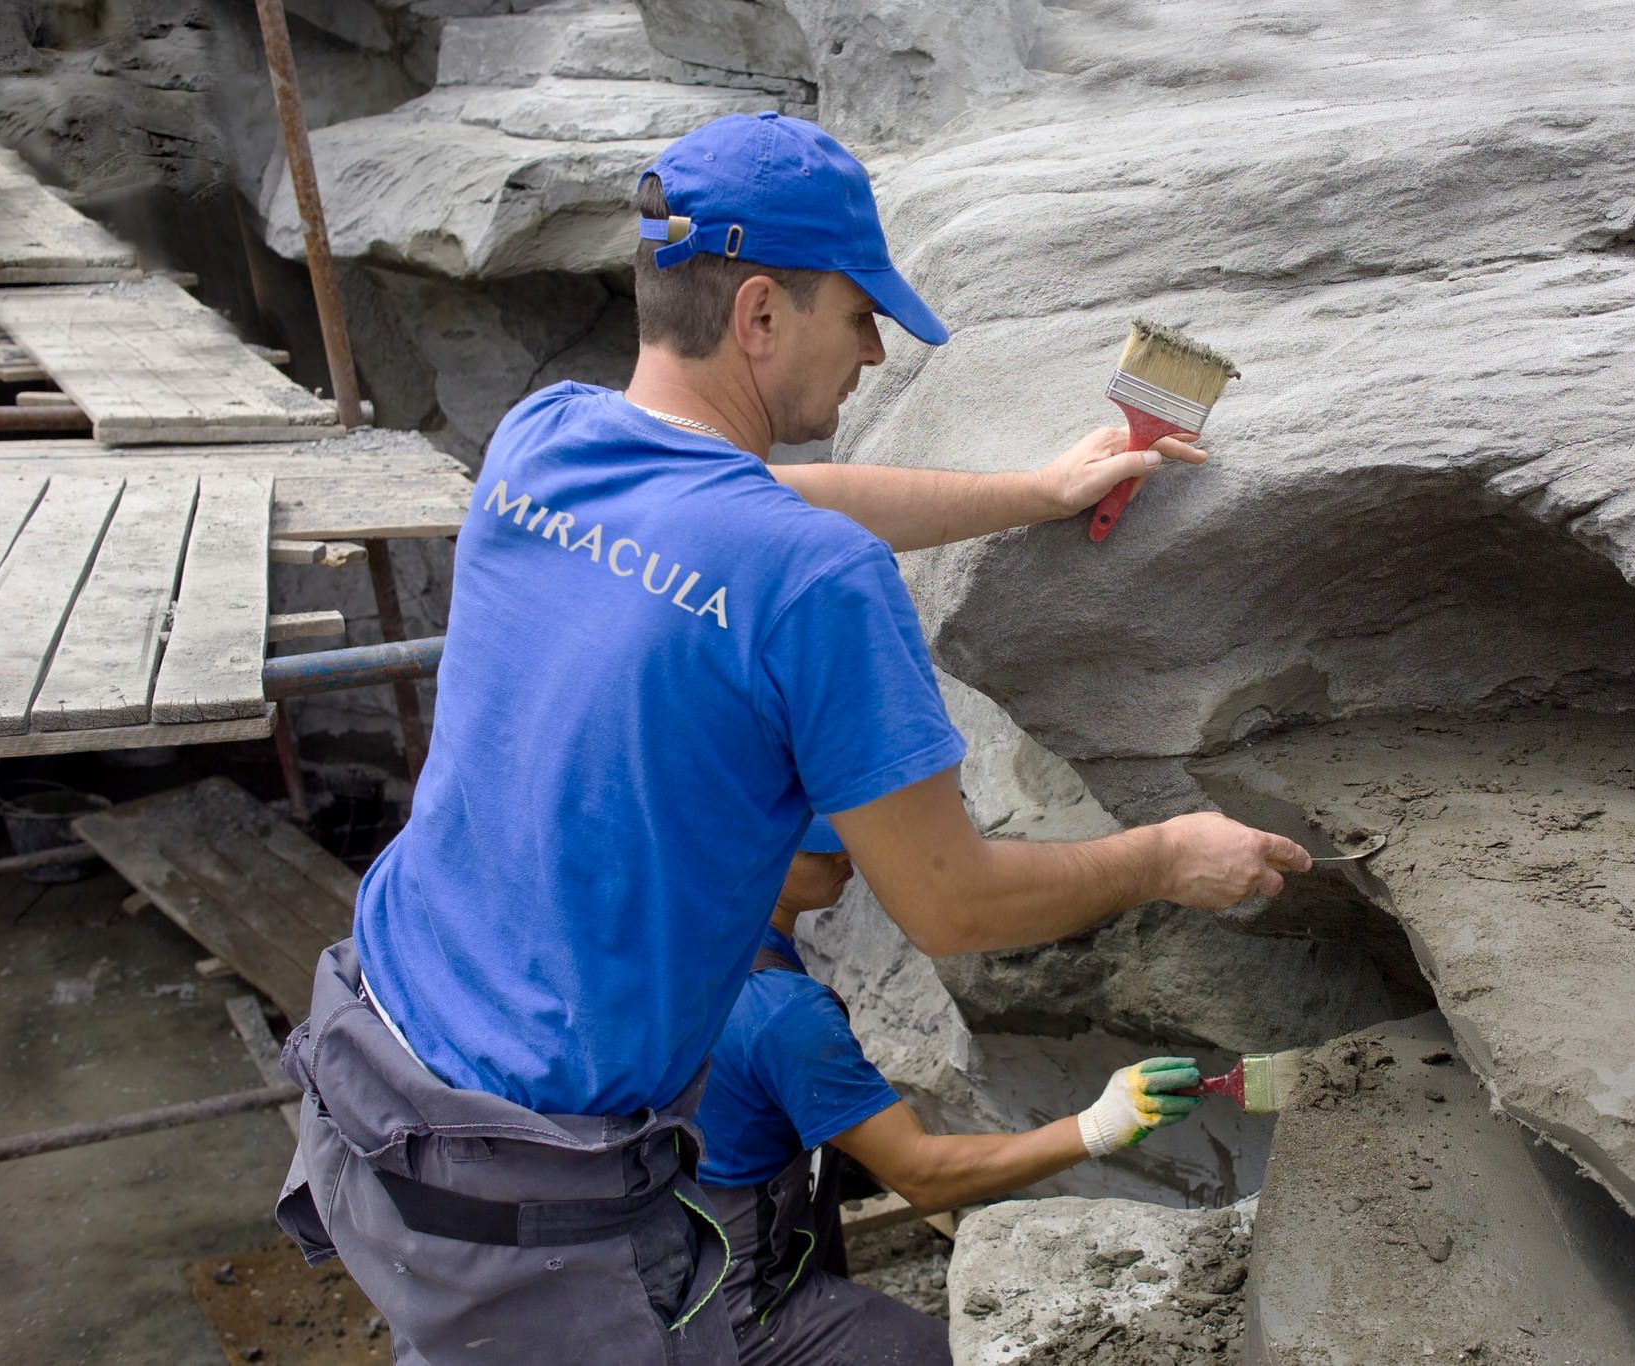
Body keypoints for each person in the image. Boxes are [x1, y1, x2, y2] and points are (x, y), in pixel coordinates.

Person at [274, 110, 1309, 1366]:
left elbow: (762, 498)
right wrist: (1160, 858)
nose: (873, 352)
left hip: (360, 1068)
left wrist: (1033, 493)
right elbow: (952, 905)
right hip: (523, 1203)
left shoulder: (542, 440)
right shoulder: (814, 585)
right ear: (760, 314)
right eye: (856, 314)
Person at [697, 819, 1204, 1365]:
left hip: (674, 1246)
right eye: (824, 848)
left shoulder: (686, 941)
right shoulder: (784, 1013)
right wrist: (1103, 1123)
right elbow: (921, 1175)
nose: (850, 856)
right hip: (741, 1304)